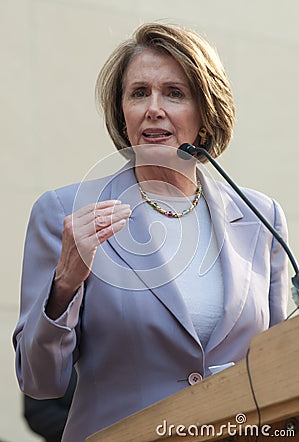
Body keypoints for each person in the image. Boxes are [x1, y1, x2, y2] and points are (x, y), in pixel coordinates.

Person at [13, 23, 288, 442]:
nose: (153, 108)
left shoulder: (260, 216)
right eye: (139, 93)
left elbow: (278, 369)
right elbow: (39, 382)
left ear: (206, 111)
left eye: (174, 93)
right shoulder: (65, 212)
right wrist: (65, 283)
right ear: (122, 113)